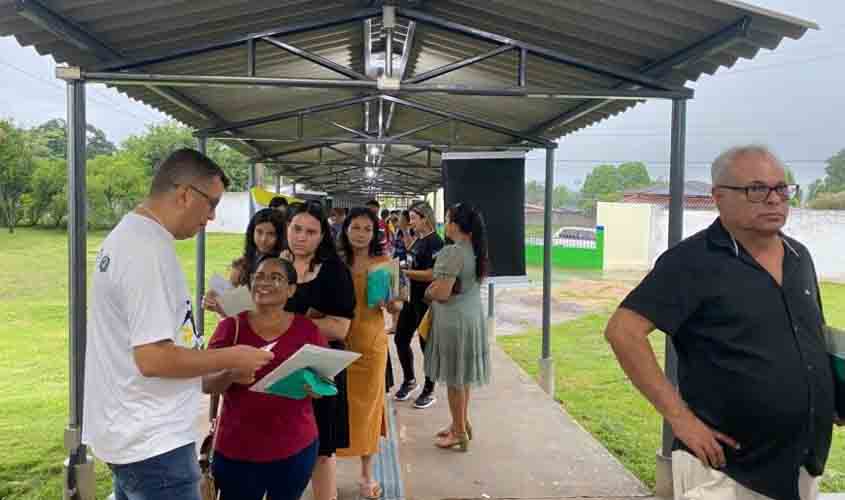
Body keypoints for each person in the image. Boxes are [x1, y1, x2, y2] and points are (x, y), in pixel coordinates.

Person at [604, 145, 836, 500]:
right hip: (727, 472)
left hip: (801, 462)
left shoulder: (798, 256)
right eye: (757, 189)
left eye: (782, 188)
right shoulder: (691, 262)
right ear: (719, 197)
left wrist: (833, 395)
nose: (774, 200)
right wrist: (680, 420)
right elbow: (623, 332)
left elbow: (809, 337)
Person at [82, 148, 274, 500]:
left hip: (132, 433)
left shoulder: (131, 235)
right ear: (186, 194)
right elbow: (154, 358)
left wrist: (219, 373)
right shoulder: (147, 250)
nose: (212, 217)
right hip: (154, 446)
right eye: (211, 204)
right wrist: (233, 357)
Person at [204, 257, 325, 500]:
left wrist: (315, 388)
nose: (264, 282)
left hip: (296, 448)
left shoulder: (307, 329)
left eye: (276, 278)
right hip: (237, 451)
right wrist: (230, 374)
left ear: (291, 290)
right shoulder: (231, 327)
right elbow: (206, 383)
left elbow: (323, 383)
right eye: (258, 276)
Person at [283, 201, 356, 500]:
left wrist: (286, 323)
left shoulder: (335, 271)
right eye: (296, 229)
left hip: (320, 367)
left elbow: (340, 329)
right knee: (281, 444)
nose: (301, 237)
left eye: (310, 232)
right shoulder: (274, 265)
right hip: (278, 364)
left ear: (322, 235)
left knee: (321, 449)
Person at [336, 207, 403, 498]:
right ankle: (327, 470)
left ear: (374, 233)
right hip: (336, 343)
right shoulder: (333, 262)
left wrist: (391, 301)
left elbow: (397, 306)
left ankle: (367, 474)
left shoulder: (384, 263)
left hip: (371, 345)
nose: (361, 234)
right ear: (345, 230)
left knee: (369, 409)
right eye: (355, 227)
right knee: (333, 408)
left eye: (367, 228)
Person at [424, 203, 491, 452]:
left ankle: (459, 433)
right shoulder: (475, 249)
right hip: (471, 317)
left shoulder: (453, 252)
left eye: (448, 219)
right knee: (463, 379)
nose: (445, 223)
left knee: (454, 380)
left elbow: (441, 293)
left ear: (456, 225)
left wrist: (430, 291)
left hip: (454, 323)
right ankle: (460, 423)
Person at [394, 201, 443, 409]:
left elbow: (434, 274)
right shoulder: (418, 240)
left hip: (426, 303)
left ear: (425, 218)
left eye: (414, 218)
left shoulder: (436, 243)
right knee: (400, 339)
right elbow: (411, 259)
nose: (411, 222)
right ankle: (410, 380)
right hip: (411, 301)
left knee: (427, 348)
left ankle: (429, 390)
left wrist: (405, 273)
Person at [204, 208, 287, 315]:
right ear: (252, 232)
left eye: (271, 234)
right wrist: (213, 299)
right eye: (259, 232)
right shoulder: (242, 263)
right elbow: (228, 294)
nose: (263, 239)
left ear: (280, 237)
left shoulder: (283, 265)